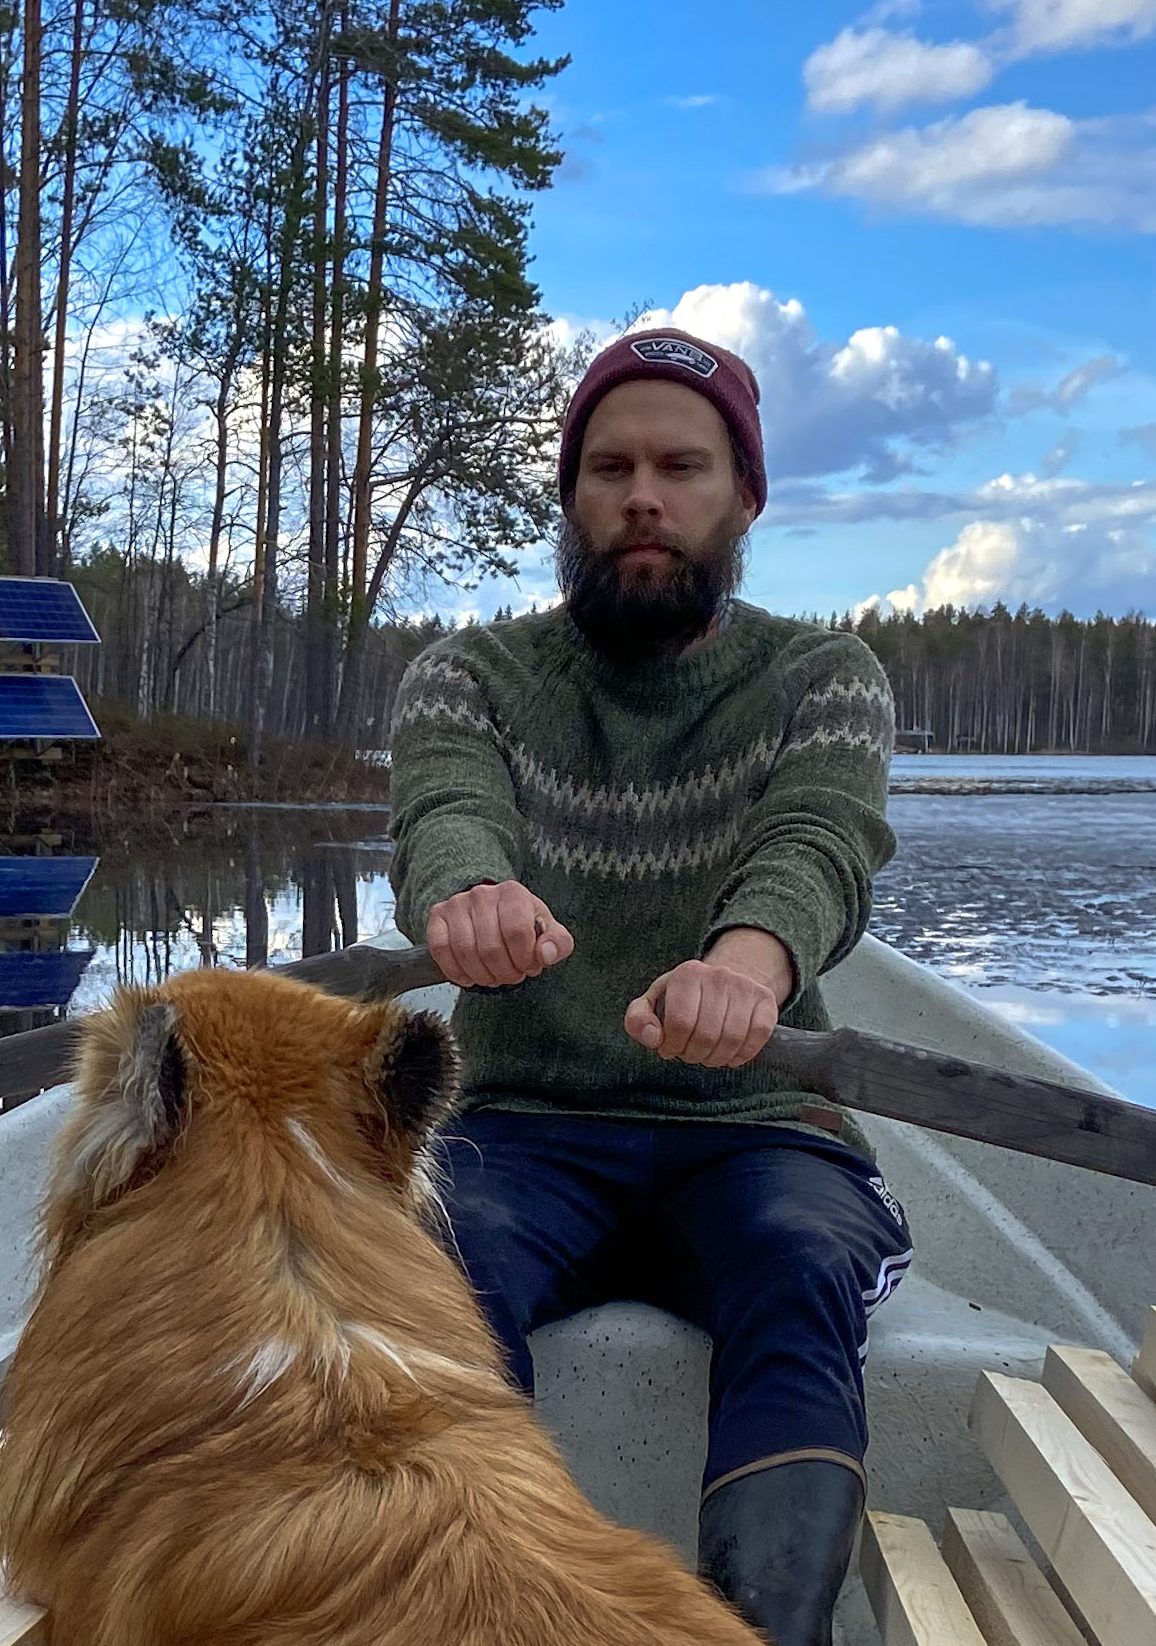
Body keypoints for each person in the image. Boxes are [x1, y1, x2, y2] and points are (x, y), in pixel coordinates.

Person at [386, 327, 908, 1644]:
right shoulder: (470, 675)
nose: (643, 496)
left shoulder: (824, 677)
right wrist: (468, 894)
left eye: (682, 465)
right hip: (520, 1122)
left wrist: (753, 963)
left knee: (799, 1264)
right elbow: (445, 813)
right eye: (609, 466)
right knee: (426, 1268)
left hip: (754, 1128)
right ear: (569, 496)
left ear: (744, 496)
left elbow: (822, 844)